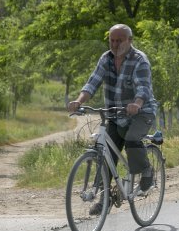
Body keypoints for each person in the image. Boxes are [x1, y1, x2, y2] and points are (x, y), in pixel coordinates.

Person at [67, 24, 158, 214]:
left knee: (132, 139)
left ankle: (147, 173)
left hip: (141, 112)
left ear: (129, 41)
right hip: (116, 114)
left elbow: (143, 87)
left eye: (119, 40)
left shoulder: (139, 60)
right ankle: (105, 199)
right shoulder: (106, 58)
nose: (115, 44)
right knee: (105, 153)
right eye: (112, 40)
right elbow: (92, 82)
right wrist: (78, 101)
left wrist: (137, 103)